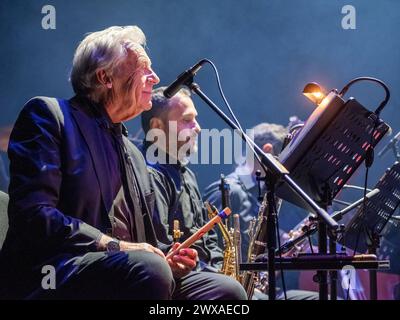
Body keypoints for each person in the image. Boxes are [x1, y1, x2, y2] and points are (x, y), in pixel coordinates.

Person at [0, 26, 245, 300]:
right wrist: (115, 246)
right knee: (149, 269)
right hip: (57, 272)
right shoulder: (50, 116)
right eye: (143, 69)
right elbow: (33, 216)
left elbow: (150, 244)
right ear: (105, 77)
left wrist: (169, 259)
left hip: (133, 272)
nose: (156, 78)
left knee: (226, 290)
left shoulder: (134, 152)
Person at [140, 87, 246, 295]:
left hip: (205, 273)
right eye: (187, 120)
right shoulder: (151, 174)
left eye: (195, 119)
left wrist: (219, 268)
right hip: (176, 282)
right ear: (157, 126)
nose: (197, 128)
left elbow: (207, 239)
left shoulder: (186, 173)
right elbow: (161, 250)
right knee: (231, 292)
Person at [204, 122, 319, 300]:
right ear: (268, 150)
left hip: (258, 289)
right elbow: (210, 250)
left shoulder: (263, 193)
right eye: (284, 159)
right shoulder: (229, 190)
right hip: (234, 289)